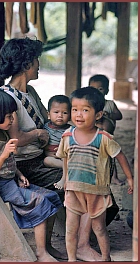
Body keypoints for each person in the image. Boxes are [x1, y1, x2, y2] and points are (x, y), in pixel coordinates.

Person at [0, 88, 63, 262]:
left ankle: (47, 246)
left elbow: (10, 163)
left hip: (12, 181)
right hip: (1, 186)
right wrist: (4, 154)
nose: (12, 120)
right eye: (8, 116)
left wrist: (19, 174)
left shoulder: (3, 133)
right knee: (40, 202)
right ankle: (41, 252)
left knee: (51, 196)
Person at [0, 37, 65, 259]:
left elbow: (45, 120)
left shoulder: (31, 92)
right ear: (27, 65)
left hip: (39, 157)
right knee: (63, 179)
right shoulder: (7, 97)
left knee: (70, 173)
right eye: (36, 60)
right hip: (24, 164)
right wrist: (38, 134)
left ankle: (53, 243)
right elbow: (16, 137)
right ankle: (54, 244)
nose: (39, 65)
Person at [56, 87, 134, 261]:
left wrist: (129, 178)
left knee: (99, 228)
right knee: (71, 229)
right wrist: (65, 179)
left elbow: (120, 156)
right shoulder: (67, 136)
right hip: (74, 191)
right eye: (74, 109)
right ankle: (71, 259)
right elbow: (65, 159)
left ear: (98, 115)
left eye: (85, 110)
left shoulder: (103, 138)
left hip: (97, 191)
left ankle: (106, 258)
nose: (78, 115)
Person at [89, 74, 124, 186]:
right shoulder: (89, 105)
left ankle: (114, 178)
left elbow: (119, 116)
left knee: (110, 157)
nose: (97, 92)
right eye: (93, 89)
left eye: (100, 89)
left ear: (107, 91)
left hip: (108, 138)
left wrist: (109, 114)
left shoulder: (109, 104)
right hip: (94, 138)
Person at [43, 95, 71, 189]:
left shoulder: (70, 130)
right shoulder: (45, 127)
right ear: (48, 114)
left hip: (65, 156)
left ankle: (65, 175)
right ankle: (68, 168)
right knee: (46, 161)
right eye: (56, 112)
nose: (60, 115)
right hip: (52, 157)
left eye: (65, 113)